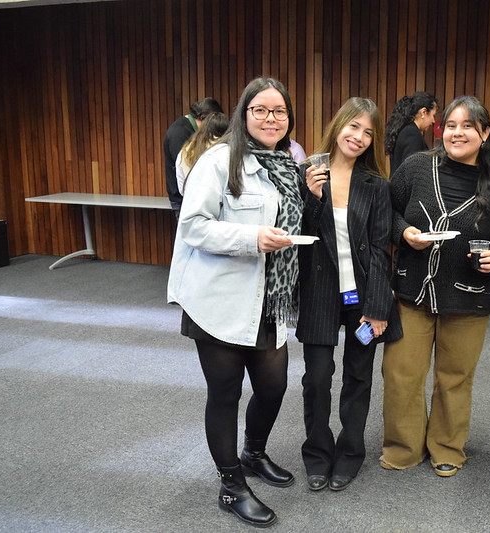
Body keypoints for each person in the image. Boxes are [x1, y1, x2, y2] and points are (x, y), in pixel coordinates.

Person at [167, 77, 303, 527]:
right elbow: (193, 226)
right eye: (260, 109)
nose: (271, 118)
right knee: (225, 393)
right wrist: (251, 237)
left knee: (273, 387)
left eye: (279, 111)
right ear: (244, 114)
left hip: (268, 298)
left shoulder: (286, 164)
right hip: (218, 298)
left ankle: (253, 453)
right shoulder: (219, 160)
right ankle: (231, 485)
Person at [381, 96, 490, 477]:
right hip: (413, 292)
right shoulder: (417, 167)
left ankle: (447, 447)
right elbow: (386, 210)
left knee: (455, 378)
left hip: (468, 296)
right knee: (401, 373)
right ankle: (403, 447)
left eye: (468, 126)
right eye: (451, 125)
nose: (457, 133)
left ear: (484, 134)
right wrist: (404, 232)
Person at [296, 97, 401, 492]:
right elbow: (299, 235)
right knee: (316, 379)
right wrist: (312, 198)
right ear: (338, 125)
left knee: (358, 378)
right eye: (353, 126)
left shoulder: (376, 185)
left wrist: (378, 306)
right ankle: (317, 454)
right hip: (319, 291)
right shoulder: (308, 173)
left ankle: (350, 453)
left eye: (368, 132)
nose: (358, 137)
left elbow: (380, 249)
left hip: (362, 296)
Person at [163, 97, 223, 219]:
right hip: (184, 200)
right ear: (202, 117)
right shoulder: (179, 133)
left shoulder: (189, 129)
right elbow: (188, 169)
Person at [175, 111, 229, 195]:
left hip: (191, 199)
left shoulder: (186, 150)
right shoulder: (227, 150)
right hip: (220, 200)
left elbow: (182, 187)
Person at [384, 91, 438, 174]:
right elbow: (411, 171)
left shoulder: (405, 130)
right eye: (433, 115)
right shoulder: (412, 134)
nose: (433, 121)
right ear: (423, 112)